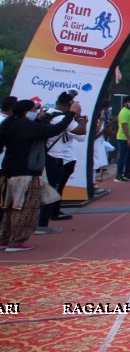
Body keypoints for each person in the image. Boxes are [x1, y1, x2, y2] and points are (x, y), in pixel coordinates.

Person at [1, 100, 78, 252]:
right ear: (25, 112)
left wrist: (38, 120)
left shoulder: (8, 124)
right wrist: (71, 113)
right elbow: (56, 129)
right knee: (25, 209)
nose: (37, 111)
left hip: (8, 171)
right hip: (26, 173)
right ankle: (17, 241)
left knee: (8, 208)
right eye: (34, 109)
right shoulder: (28, 126)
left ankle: (4, 238)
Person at [36, 92, 88, 234]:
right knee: (51, 190)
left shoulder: (48, 113)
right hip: (55, 157)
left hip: (45, 155)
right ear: (69, 106)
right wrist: (79, 118)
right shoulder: (63, 118)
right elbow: (81, 132)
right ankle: (42, 224)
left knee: (46, 189)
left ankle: (40, 221)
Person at [115, 96, 130, 182]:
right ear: (125, 103)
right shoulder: (123, 112)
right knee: (123, 157)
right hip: (124, 138)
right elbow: (124, 125)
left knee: (129, 157)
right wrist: (128, 138)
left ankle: (127, 173)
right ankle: (119, 175)